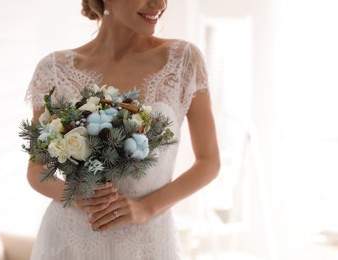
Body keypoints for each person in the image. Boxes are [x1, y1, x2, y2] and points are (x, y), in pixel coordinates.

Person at [25, 0, 220, 259]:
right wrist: (78, 197)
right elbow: (37, 170)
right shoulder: (54, 70)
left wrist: (146, 208)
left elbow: (209, 162)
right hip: (70, 240)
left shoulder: (184, 60)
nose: (159, 4)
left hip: (148, 240)